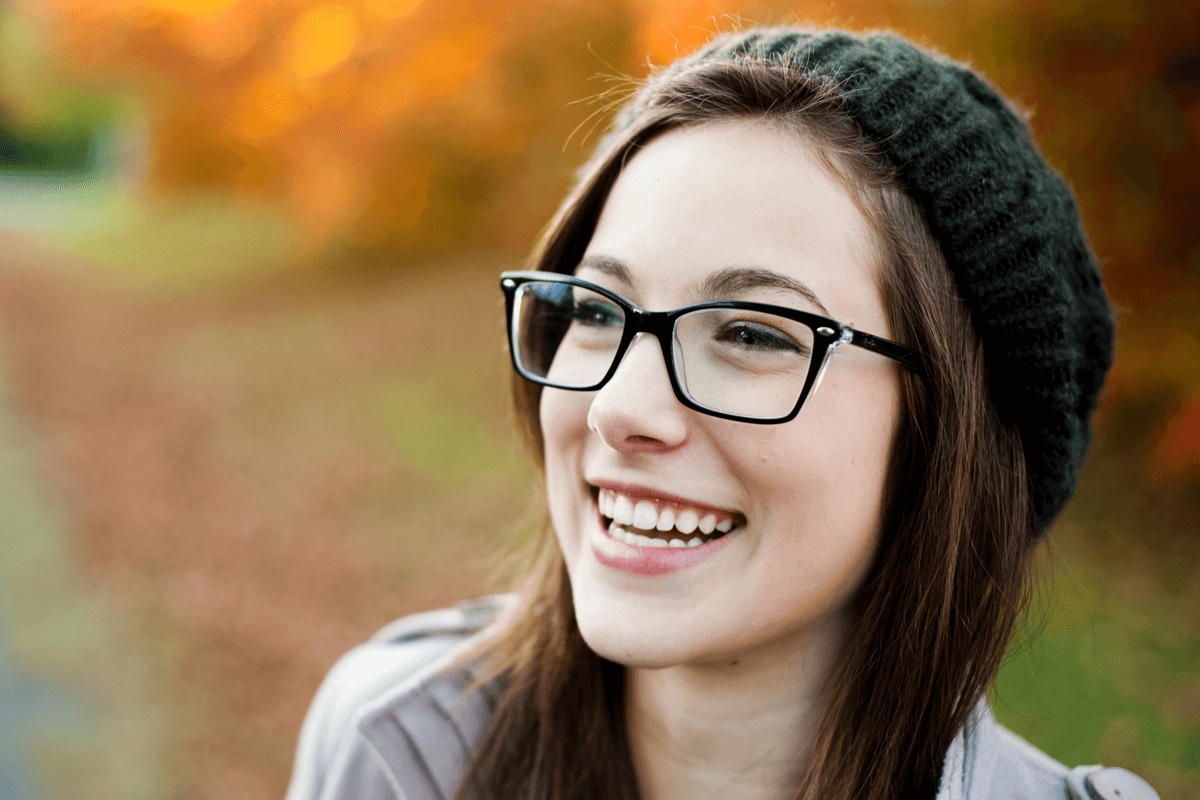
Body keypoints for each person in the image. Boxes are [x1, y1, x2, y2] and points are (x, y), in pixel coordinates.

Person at [285, 27, 1161, 800]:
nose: (619, 409)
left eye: (750, 333)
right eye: (596, 311)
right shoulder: (391, 754)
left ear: (951, 432)